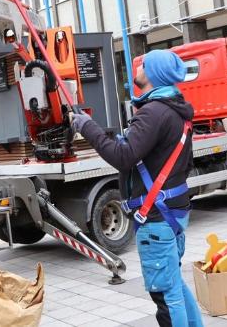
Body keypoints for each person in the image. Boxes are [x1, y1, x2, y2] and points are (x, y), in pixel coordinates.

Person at [70, 50, 203, 327]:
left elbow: (123, 156)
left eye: (144, 65)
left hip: (157, 217)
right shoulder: (175, 109)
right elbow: (184, 162)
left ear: (154, 74)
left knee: (165, 296)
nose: (138, 68)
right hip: (171, 212)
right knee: (173, 284)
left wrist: (88, 127)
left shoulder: (154, 112)